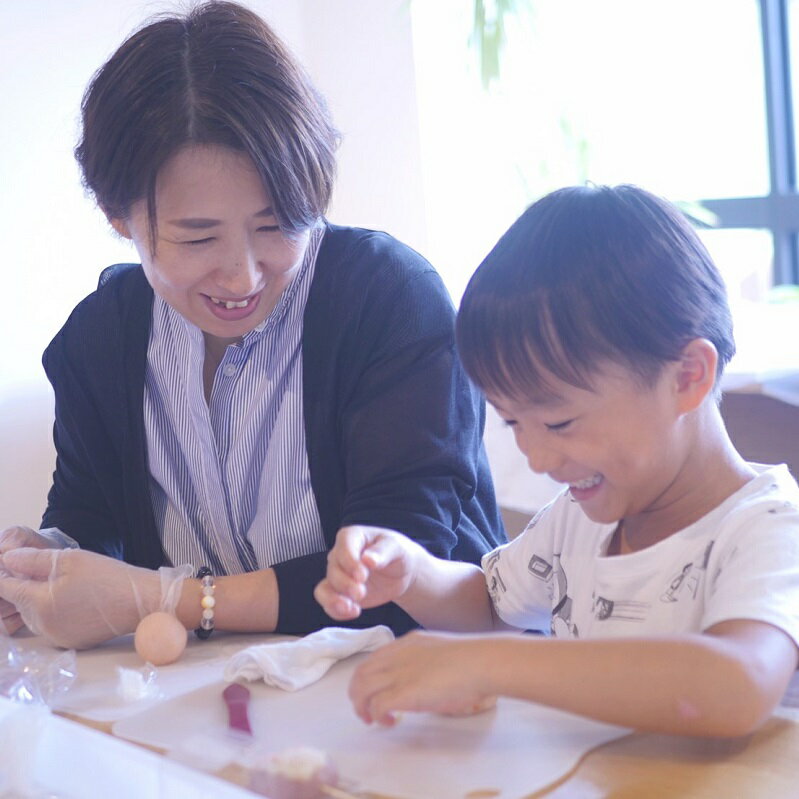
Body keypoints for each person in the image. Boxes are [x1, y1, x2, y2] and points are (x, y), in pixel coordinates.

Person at [0, 1, 504, 649]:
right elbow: (92, 517)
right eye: (197, 236)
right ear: (118, 216)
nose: (241, 277)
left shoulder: (386, 299)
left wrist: (164, 599)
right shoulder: (99, 338)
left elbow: (396, 572)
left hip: (408, 689)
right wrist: (44, 562)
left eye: (275, 225)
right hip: (215, 702)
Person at [316, 184, 799, 737]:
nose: (538, 457)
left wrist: (490, 666)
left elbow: (734, 687)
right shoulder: (578, 519)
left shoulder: (769, 528)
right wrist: (411, 572)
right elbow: (491, 608)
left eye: (559, 423)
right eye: (513, 423)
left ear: (687, 377)